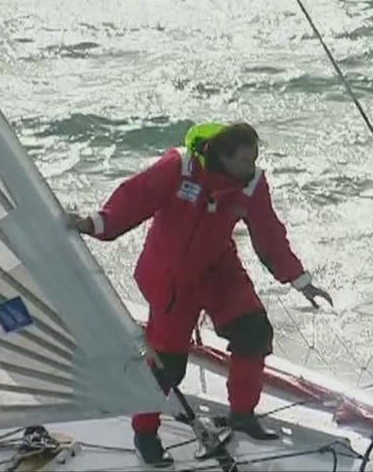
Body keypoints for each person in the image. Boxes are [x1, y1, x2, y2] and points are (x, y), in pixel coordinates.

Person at [68, 122, 333, 465]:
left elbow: (269, 235)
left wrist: (300, 280)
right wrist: (94, 223)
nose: (251, 168)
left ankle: (242, 415)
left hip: (218, 269)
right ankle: (145, 433)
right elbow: (133, 199)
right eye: (244, 160)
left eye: (255, 159)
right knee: (169, 365)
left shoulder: (251, 183)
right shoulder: (178, 168)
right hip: (171, 275)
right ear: (221, 155)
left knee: (253, 332)